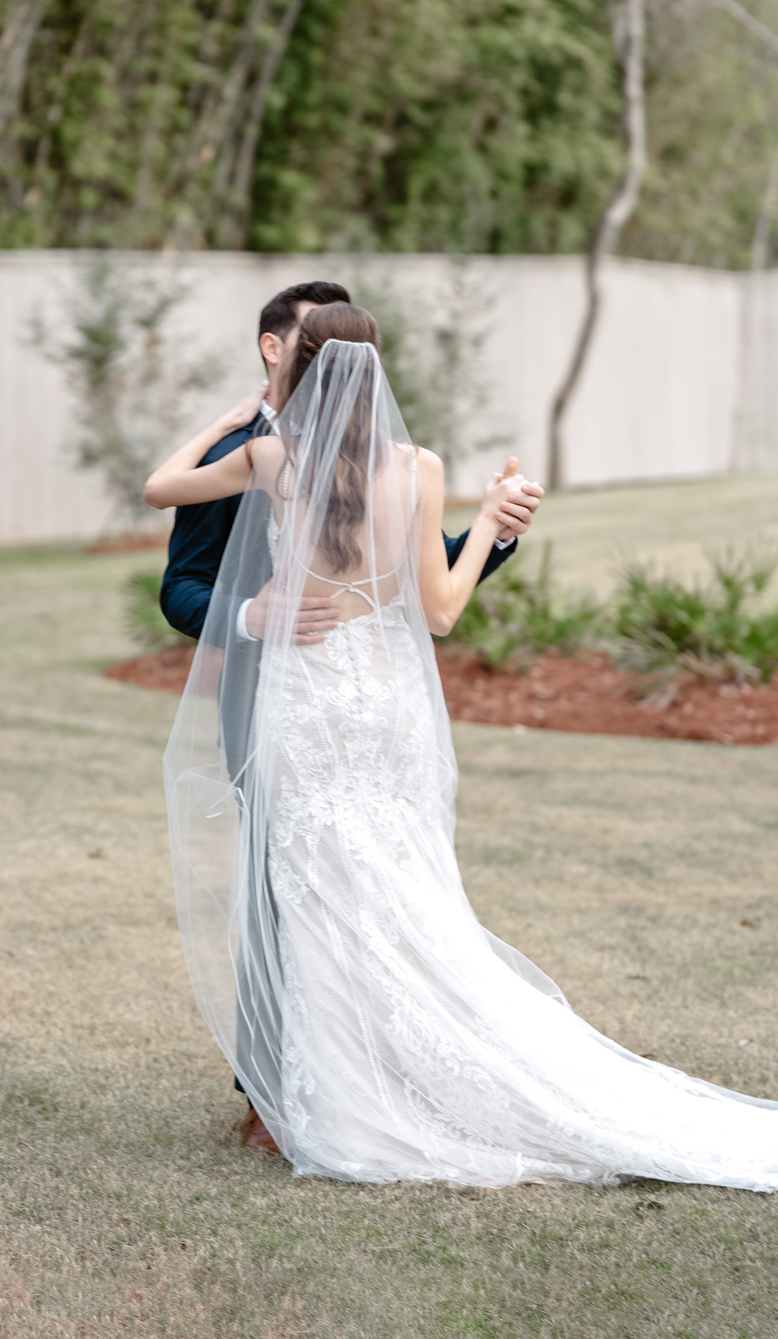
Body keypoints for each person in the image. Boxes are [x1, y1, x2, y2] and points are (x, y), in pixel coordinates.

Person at [149, 304, 778, 1192]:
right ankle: (390, 1077)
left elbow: (159, 487)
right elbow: (441, 613)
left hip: (311, 699)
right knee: (405, 893)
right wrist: (489, 521)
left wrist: (224, 422)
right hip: (388, 708)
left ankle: (340, 1098)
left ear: (294, 365)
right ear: (376, 373)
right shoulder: (417, 469)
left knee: (321, 901)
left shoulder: (270, 460)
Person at [159, 281, 541, 1152]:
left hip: (320, 699)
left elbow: (412, 572)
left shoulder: (288, 459)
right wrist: (253, 612)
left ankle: (362, 1086)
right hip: (332, 694)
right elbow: (182, 588)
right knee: (312, 896)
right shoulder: (374, 462)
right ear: (272, 348)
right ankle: (281, 1089)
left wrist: (498, 536)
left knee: (347, 890)